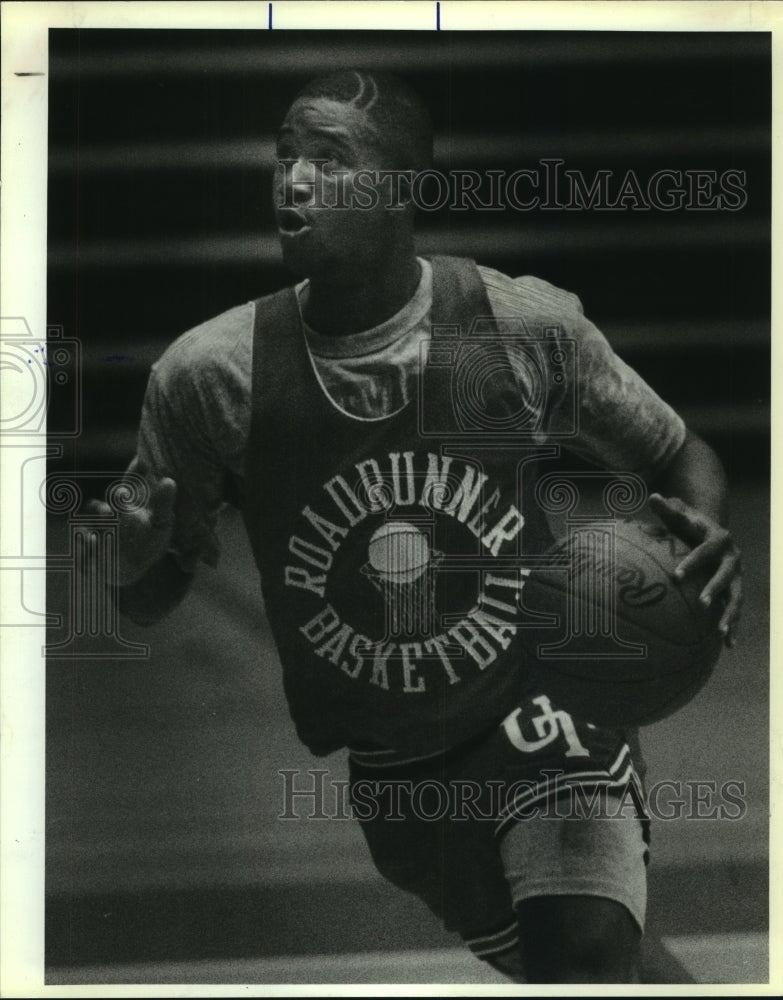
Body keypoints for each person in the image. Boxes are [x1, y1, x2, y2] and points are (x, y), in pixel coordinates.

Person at [90, 70, 743, 983]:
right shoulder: (216, 375)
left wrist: (701, 537)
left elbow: (679, 454)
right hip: (401, 771)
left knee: (584, 957)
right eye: (283, 154)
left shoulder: (496, 331)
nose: (295, 179)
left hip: (544, 701)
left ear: (405, 190)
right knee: (600, 966)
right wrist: (128, 568)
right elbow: (154, 595)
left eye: (330, 157)